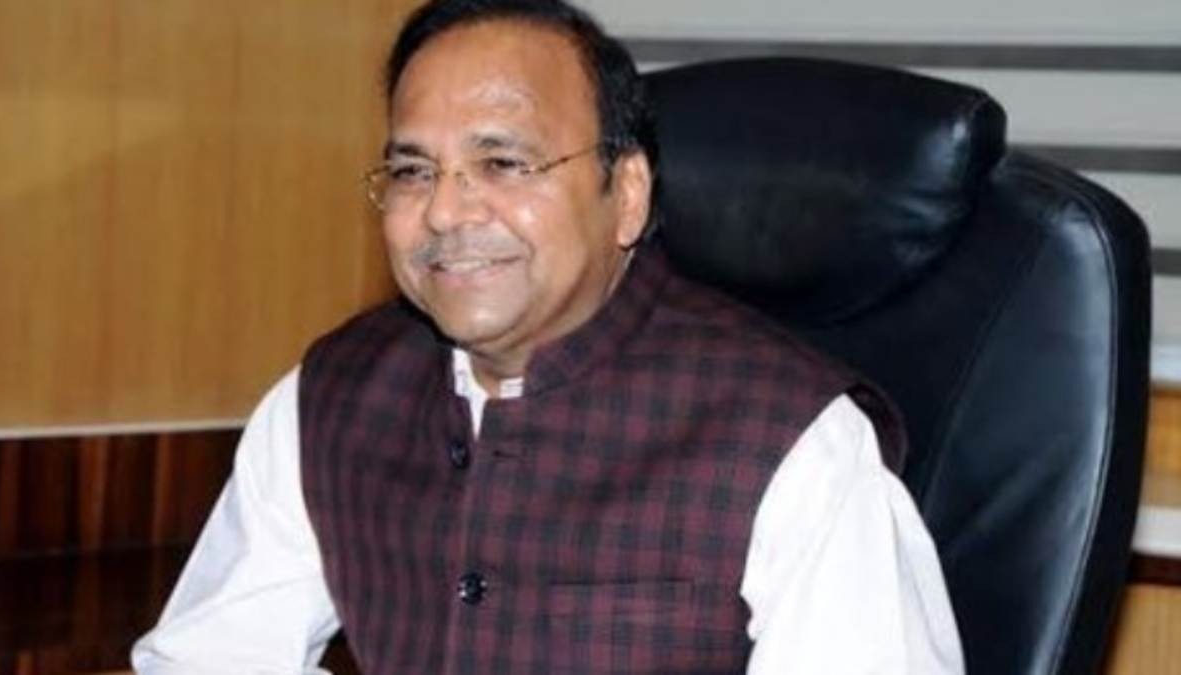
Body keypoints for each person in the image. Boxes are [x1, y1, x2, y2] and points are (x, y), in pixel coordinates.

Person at [132, 0, 964, 672]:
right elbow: (210, 657)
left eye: (503, 163)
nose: (446, 211)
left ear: (626, 195)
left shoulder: (796, 445)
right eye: (414, 171)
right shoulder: (329, 398)